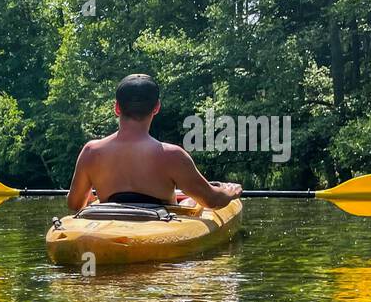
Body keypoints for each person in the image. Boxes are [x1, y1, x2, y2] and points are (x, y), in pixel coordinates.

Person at [65, 74, 242, 213]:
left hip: (109, 225)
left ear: (117, 108)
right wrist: (230, 191)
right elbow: (211, 200)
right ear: (156, 107)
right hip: (160, 227)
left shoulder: (91, 151)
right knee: (193, 202)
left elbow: (75, 204)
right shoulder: (172, 155)